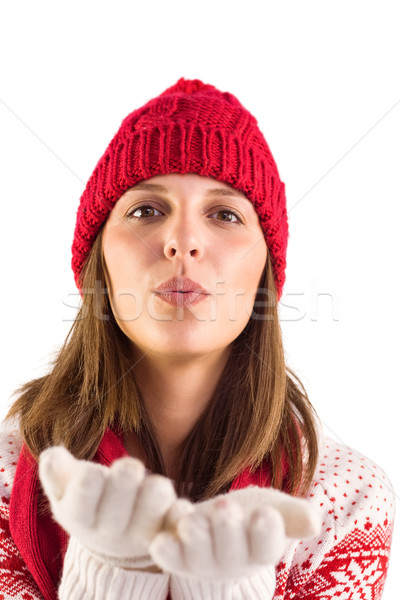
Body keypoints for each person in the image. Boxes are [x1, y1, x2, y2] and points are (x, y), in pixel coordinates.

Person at [0, 78, 394, 600]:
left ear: (265, 272)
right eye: (146, 210)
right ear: (99, 262)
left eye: (225, 214)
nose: (182, 242)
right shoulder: (5, 485)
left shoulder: (345, 504)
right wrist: (110, 575)